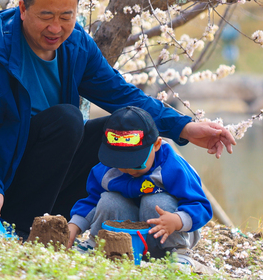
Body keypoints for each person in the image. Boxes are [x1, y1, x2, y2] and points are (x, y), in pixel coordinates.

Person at [0, 0, 235, 235]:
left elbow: (122, 95)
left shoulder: (76, 45)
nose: (56, 28)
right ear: (23, 10)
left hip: (40, 179)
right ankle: (25, 229)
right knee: (67, 120)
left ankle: (66, 225)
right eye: (46, 16)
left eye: (65, 17)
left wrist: (184, 128)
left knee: (115, 131)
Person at [66, 106, 211, 261]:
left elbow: (201, 205)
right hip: (129, 235)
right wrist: (74, 226)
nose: (129, 170)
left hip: (166, 229)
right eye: (121, 164)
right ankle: (98, 243)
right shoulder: (106, 171)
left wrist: (177, 220)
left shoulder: (172, 168)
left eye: (136, 163)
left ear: (156, 145)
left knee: (154, 202)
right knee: (109, 200)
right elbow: (92, 201)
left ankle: (178, 253)